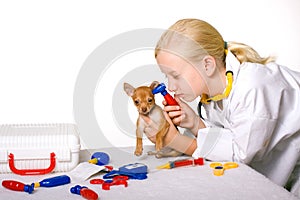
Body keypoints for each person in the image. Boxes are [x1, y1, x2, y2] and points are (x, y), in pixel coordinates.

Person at [141, 18, 300, 195]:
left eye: (175, 76)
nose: (171, 87)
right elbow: (226, 138)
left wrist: (178, 141)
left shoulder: (253, 87)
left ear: (207, 65)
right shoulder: (212, 95)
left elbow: (240, 157)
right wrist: (194, 123)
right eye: (166, 77)